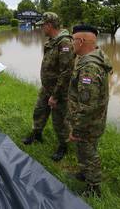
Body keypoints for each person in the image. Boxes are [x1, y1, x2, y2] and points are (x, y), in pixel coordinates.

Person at [22, 12, 75, 162]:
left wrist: (55, 95)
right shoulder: (51, 41)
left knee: (60, 120)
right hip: (46, 88)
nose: (41, 29)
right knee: (39, 111)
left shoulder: (65, 43)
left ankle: (63, 146)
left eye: (42, 26)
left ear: (49, 25)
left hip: (60, 91)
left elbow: (66, 72)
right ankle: (36, 134)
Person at [67, 24, 113, 197]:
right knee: (84, 149)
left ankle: (94, 188)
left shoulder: (89, 68)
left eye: (73, 41)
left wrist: (76, 129)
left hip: (88, 123)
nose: (71, 44)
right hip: (92, 121)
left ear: (80, 41)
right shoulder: (91, 59)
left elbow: (87, 106)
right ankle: (85, 174)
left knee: (88, 151)